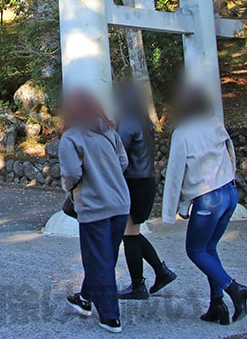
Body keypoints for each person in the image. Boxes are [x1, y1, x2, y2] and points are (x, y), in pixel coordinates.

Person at [162, 84, 247, 325]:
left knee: (195, 250)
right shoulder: (215, 123)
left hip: (207, 197)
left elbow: (175, 175)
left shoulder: (182, 134)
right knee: (209, 248)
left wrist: (174, 209)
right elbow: (231, 153)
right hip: (228, 192)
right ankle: (217, 304)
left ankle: (234, 289)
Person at [60, 90, 130, 334]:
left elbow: (71, 174)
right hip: (120, 202)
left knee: (98, 259)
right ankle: (85, 298)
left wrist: (70, 188)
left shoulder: (71, 138)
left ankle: (110, 316)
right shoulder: (110, 132)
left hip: (94, 205)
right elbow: (123, 163)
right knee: (105, 257)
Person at [115, 83, 177, 300]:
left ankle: (138, 285)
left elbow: (118, 152)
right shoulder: (144, 121)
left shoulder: (128, 121)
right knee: (132, 232)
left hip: (133, 182)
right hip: (146, 180)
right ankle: (160, 272)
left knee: (129, 235)